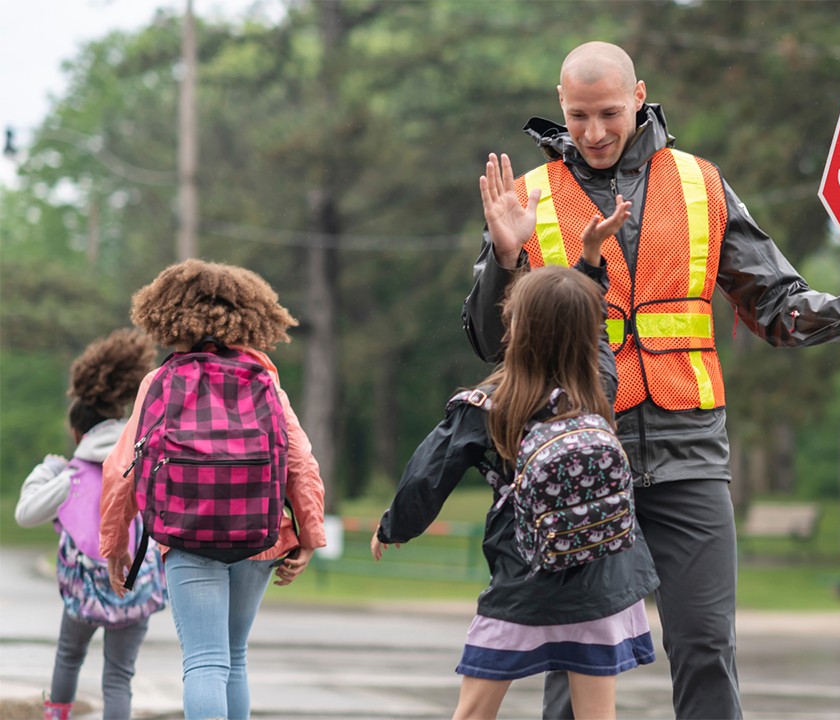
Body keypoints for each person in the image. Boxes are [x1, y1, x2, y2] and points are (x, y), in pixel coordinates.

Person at [462, 41, 840, 719]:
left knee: (706, 644)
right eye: (578, 115)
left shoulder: (701, 184)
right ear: (561, 106)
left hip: (689, 455)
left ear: (639, 96)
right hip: (581, 458)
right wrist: (503, 256)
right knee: (579, 663)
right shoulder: (525, 201)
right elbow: (488, 341)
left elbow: (776, 303)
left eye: (609, 113)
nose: (593, 133)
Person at [374, 197, 660, 720]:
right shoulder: (597, 388)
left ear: (516, 329)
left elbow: (429, 473)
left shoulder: (490, 406)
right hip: (602, 585)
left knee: (475, 711)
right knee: (598, 715)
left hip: (522, 584)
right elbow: (588, 326)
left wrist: (394, 527)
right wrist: (592, 262)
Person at [99, 259, 328, 720]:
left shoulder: (159, 381)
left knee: (205, 660)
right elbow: (300, 460)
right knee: (234, 657)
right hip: (257, 536)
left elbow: (122, 468)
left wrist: (114, 543)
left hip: (186, 534)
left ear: (168, 315)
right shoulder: (265, 380)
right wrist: (309, 533)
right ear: (249, 314)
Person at [15, 329, 164, 720]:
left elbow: (25, 514)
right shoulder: (143, 466)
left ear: (79, 432)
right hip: (135, 589)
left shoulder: (70, 478)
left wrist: (47, 470)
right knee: (118, 677)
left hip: (84, 594)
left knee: (68, 657)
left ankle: (57, 716)